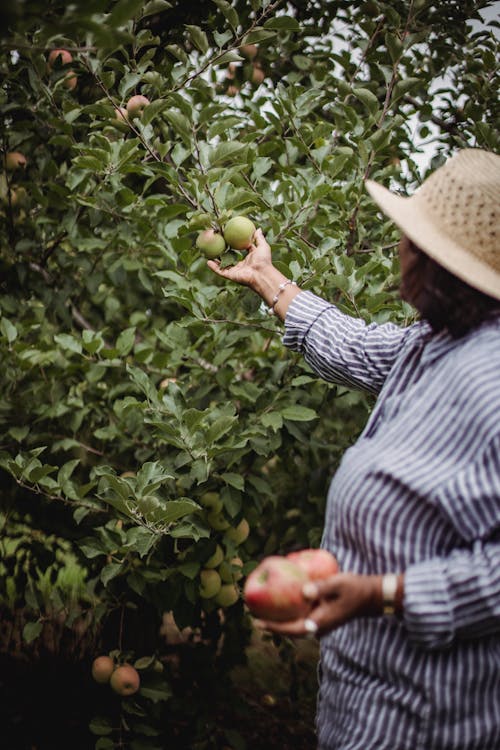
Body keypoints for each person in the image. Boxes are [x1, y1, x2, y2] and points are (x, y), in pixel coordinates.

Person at [208, 148, 500, 750]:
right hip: (368, 705)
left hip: (428, 720)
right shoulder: (435, 342)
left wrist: (383, 593)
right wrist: (266, 275)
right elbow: (357, 347)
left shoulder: (491, 381)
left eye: (410, 241)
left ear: (440, 266)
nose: (401, 250)